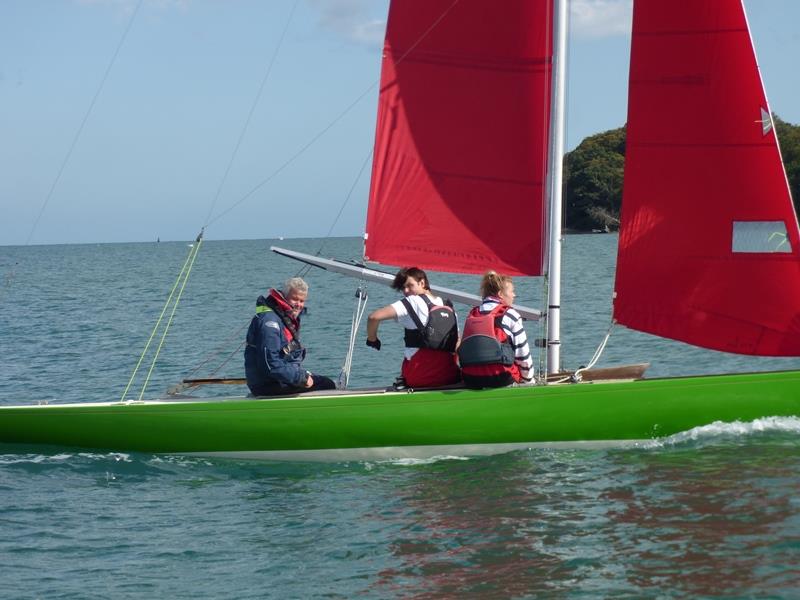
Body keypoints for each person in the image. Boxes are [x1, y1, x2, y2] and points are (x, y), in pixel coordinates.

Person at [366, 267, 460, 388]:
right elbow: (457, 341)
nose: (405, 291)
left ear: (422, 283)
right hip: (450, 376)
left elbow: (373, 317)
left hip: (419, 377)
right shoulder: (448, 306)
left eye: (410, 285)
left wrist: (372, 339)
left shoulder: (412, 301)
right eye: (403, 288)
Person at [244, 277, 336, 396]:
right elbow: (270, 364)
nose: (298, 305)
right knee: (326, 385)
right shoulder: (270, 323)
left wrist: (301, 376)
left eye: (302, 301)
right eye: (294, 299)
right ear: (284, 297)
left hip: (278, 380)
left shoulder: (284, 318)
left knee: (325, 382)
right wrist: (300, 378)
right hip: (267, 385)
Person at [458, 271, 534, 389]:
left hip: (471, 379)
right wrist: (528, 380)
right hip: (502, 378)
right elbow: (523, 355)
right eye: (512, 291)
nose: (514, 295)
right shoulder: (510, 314)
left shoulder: (472, 314)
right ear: (500, 294)